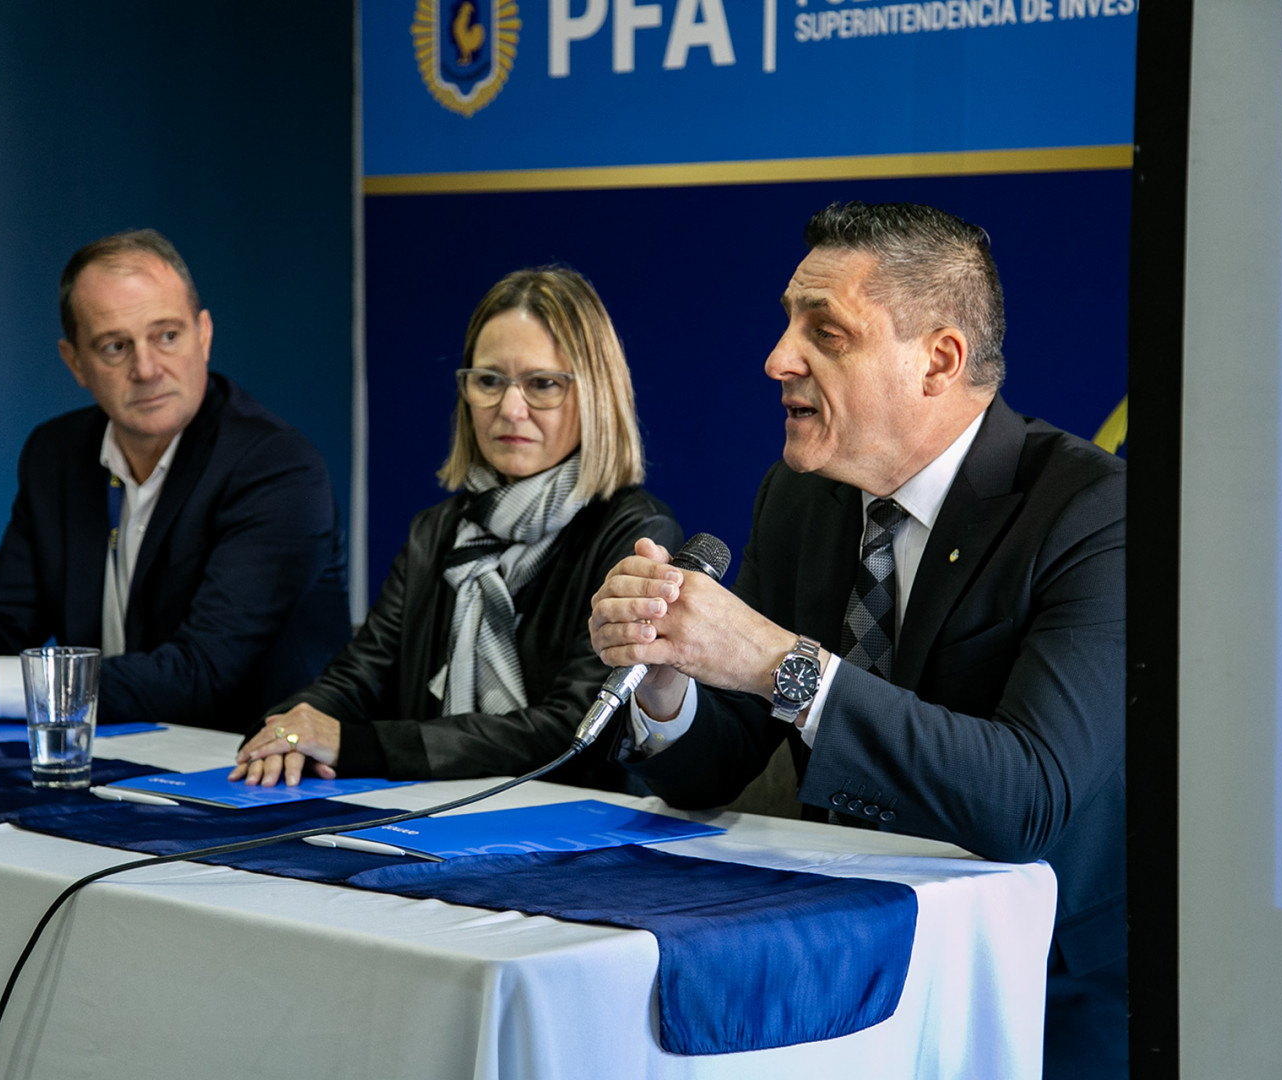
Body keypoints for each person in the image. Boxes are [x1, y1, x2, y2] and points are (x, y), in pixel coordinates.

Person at [587, 203, 1126, 1078]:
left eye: (825, 332)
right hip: (837, 963)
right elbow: (715, 768)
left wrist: (775, 662)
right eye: (787, 322)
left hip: (1041, 993)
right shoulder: (801, 496)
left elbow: (1027, 798)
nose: (777, 359)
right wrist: (667, 682)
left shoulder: (1090, 511)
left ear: (938, 361)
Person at [0, 229, 350, 733]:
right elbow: (4, 621)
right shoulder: (57, 455)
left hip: (254, 777)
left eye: (167, 335)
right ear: (75, 362)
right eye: (116, 346)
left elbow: (201, 676)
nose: (147, 368)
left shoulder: (277, 468)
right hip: (112, 758)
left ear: (203, 336)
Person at [233, 267, 681, 790]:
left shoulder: (637, 532)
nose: (511, 409)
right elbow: (360, 675)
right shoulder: (436, 531)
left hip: (570, 827)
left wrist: (358, 746)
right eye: (489, 381)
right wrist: (286, 728)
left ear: (595, 395)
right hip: (421, 813)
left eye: (542, 384)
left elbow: (576, 728)